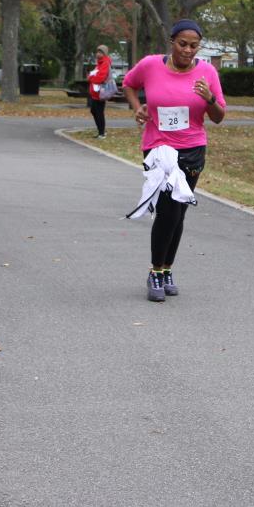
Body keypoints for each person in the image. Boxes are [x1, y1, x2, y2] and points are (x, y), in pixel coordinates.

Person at [122, 19, 226, 302]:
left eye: (194, 46)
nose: (188, 50)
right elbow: (128, 84)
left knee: (179, 211)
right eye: (182, 44)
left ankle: (167, 268)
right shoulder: (150, 65)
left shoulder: (207, 72)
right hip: (159, 148)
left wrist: (209, 98)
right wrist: (138, 108)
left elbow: (219, 116)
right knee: (167, 210)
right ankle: (155, 271)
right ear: (171, 42)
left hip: (192, 148)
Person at [87, 44, 112, 138]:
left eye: (100, 52)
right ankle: (101, 131)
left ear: (104, 54)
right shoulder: (99, 63)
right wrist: (91, 77)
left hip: (100, 92)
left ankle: (102, 133)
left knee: (98, 112)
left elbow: (100, 77)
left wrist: (91, 78)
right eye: (97, 52)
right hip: (96, 92)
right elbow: (94, 74)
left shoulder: (105, 63)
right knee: (94, 111)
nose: (98, 54)